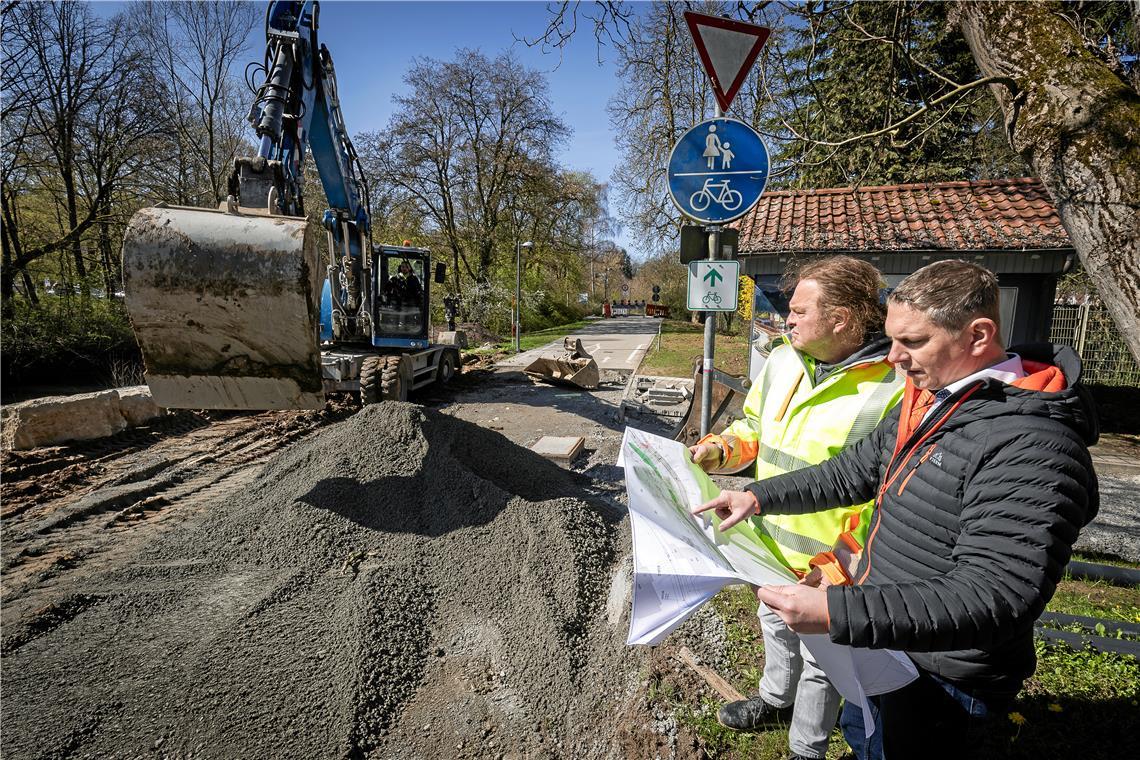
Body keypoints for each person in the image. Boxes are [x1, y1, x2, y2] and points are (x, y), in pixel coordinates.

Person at [694, 260, 1099, 759]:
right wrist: (758, 496)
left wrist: (837, 610)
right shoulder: (938, 400)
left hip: (943, 678)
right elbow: (852, 472)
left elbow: (996, 596)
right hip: (884, 643)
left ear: (978, 335)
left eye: (912, 342)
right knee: (864, 739)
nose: (893, 358)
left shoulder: (1032, 443)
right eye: (891, 340)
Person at [689, 256, 903, 760]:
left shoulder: (893, 387)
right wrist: (720, 449)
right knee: (772, 626)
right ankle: (773, 698)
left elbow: (885, 491)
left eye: (800, 311)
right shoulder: (783, 360)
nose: (787, 319)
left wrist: (841, 562)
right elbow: (754, 431)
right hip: (765, 543)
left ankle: (806, 748)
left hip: (832, 563)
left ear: (842, 319)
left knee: (822, 662)